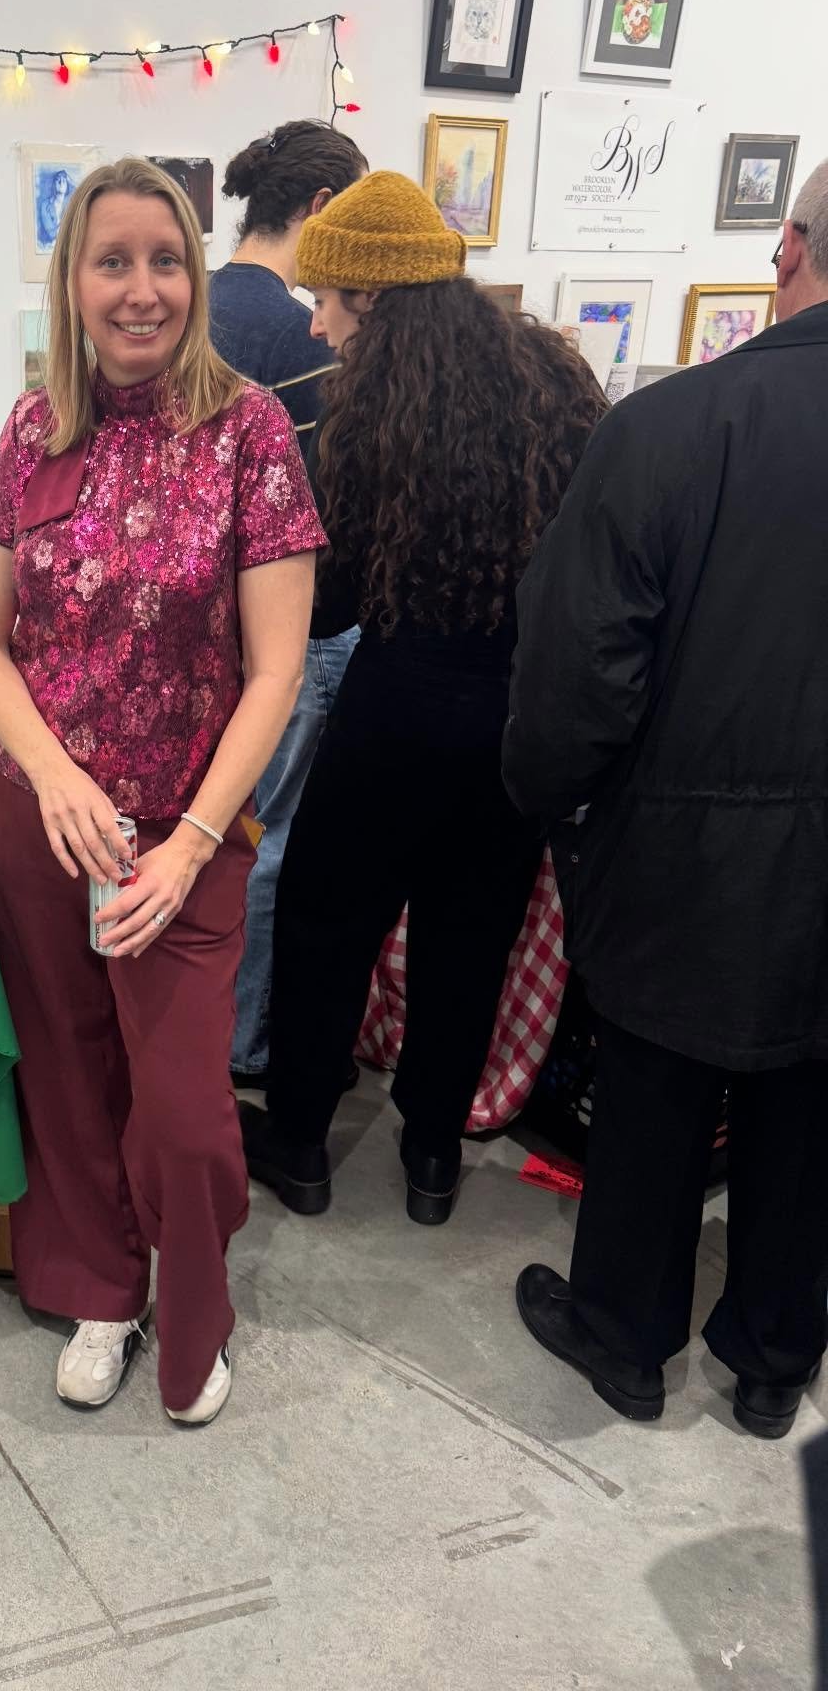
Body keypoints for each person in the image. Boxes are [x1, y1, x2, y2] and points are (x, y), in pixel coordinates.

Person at [0, 157, 323, 1426]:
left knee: (180, 1111)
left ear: (197, 274)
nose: (142, 289)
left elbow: (277, 672)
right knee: (66, 1064)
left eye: (165, 260)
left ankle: (195, 1313)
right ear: (73, 281)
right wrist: (50, 775)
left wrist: (192, 842)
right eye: (113, 261)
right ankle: (101, 1287)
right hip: (43, 813)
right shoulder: (31, 431)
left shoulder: (251, 433)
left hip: (186, 827)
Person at [503, 161, 828, 1438]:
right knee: (813, 1094)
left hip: (684, 838)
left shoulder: (668, 427)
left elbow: (576, 667)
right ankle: (773, 1355)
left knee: (653, 1085)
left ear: (787, 248)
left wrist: (556, 803)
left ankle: (625, 1334)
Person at [239, 171, 605, 1225]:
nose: (316, 322)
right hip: (511, 729)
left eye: (329, 302)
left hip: (394, 713)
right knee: (468, 938)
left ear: (377, 302)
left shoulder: (365, 421)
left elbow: (333, 604)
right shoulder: (559, 388)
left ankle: (301, 1142)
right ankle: (434, 1155)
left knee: (324, 922)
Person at [209, 120, 370, 1083]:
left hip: (192, 636)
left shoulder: (192, 310)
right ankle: (245, 1043)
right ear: (319, 210)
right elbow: (334, 502)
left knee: (207, 832)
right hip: (295, 628)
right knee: (274, 845)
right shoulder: (301, 333)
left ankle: (198, 1032)